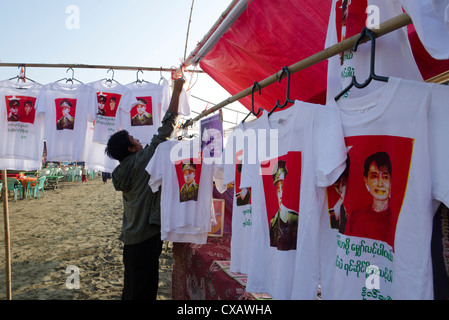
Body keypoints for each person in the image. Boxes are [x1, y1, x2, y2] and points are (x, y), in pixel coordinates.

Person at [105, 77, 185, 300]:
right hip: (146, 237)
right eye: (134, 139)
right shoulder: (142, 161)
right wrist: (177, 91)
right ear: (131, 148)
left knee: (132, 287)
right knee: (145, 289)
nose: (139, 140)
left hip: (130, 237)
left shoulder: (121, 171)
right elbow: (165, 128)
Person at [345, 151, 394, 246]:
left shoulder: (399, 219)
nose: (380, 183)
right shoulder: (355, 218)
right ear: (366, 180)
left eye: (385, 177)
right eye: (374, 176)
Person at [269, 159, 298, 251]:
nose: (281, 193)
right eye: (278, 188)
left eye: (283, 187)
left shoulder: (295, 219)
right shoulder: (272, 223)